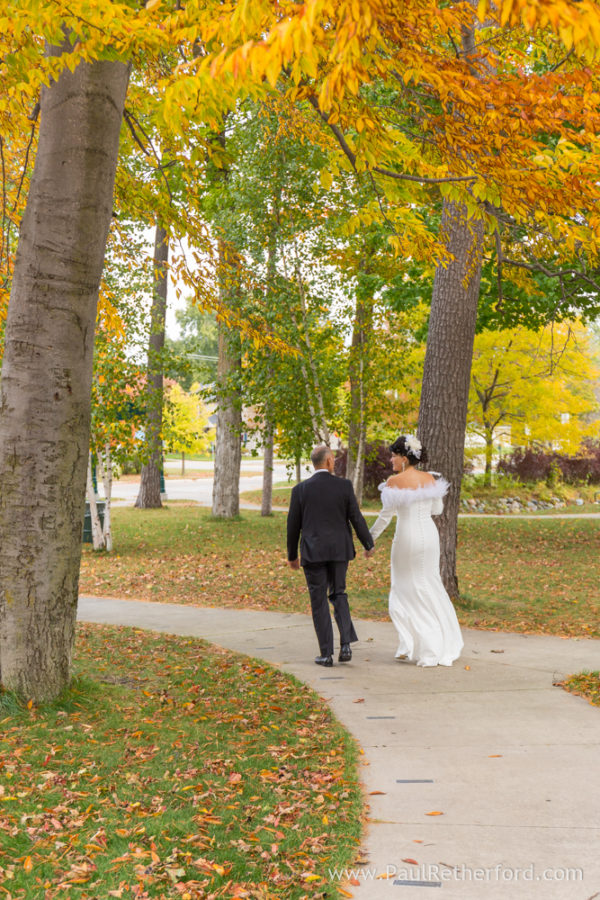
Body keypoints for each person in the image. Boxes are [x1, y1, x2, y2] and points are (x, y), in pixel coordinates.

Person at [369, 434, 463, 667]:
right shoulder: (430, 478)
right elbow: (437, 509)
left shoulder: (393, 482)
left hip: (407, 538)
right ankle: (419, 643)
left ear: (403, 458)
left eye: (393, 456)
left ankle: (418, 645)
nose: (391, 460)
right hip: (430, 538)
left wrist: (369, 540)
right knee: (428, 583)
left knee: (402, 588)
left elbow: (385, 517)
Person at [287, 445, 375, 667]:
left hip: (313, 552)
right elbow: (356, 517)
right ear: (327, 462)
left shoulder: (300, 490)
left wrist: (292, 555)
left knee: (319, 602)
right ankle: (345, 645)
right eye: (333, 460)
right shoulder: (343, 486)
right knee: (339, 594)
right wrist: (368, 543)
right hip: (338, 551)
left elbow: (293, 526)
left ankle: (326, 654)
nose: (334, 463)